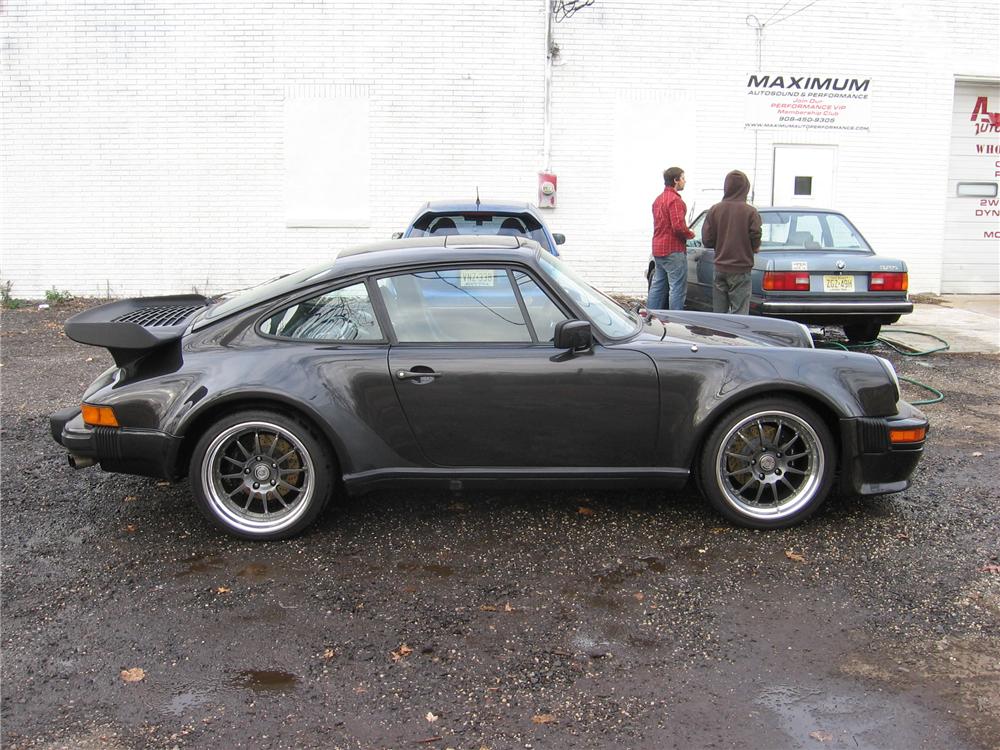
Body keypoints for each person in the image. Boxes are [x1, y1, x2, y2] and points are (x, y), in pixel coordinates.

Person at [702, 170, 762, 315]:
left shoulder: (714, 210)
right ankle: (737, 337)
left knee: (719, 314)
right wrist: (755, 247)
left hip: (720, 268)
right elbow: (756, 233)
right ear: (745, 188)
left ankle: (719, 337)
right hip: (741, 269)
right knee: (740, 314)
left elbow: (707, 240)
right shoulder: (751, 212)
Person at [647, 167, 695, 311]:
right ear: (676, 180)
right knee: (677, 288)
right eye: (683, 178)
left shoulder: (658, 200)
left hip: (658, 248)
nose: (684, 181)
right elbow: (678, 227)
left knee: (658, 285)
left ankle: (651, 316)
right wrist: (691, 233)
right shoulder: (675, 200)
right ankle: (675, 321)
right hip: (673, 249)